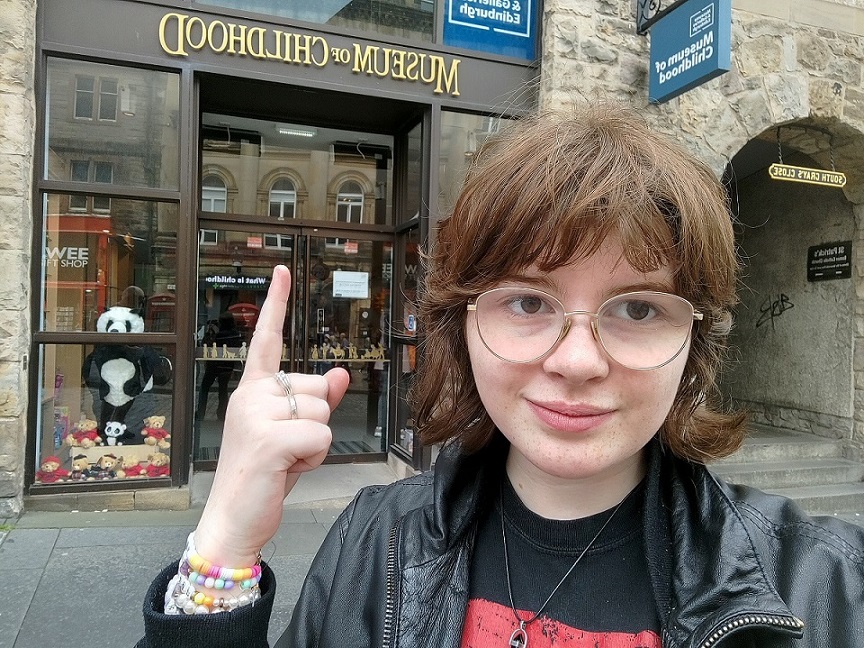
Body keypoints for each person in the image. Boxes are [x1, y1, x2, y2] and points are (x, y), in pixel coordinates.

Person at [139, 104, 864, 647]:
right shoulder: (374, 543)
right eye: (527, 301)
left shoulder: (824, 585)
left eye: (638, 309)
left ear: (695, 339)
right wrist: (224, 546)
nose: (577, 361)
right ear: (464, 325)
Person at [196, 311, 244, 421]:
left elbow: (207, 345)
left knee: (204, 388)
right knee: (223, 390)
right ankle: (222, 414)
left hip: (214, 365)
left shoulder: (219, 335)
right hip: (227, 366)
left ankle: (201, 412)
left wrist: (210, 332)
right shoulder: (236, 334)